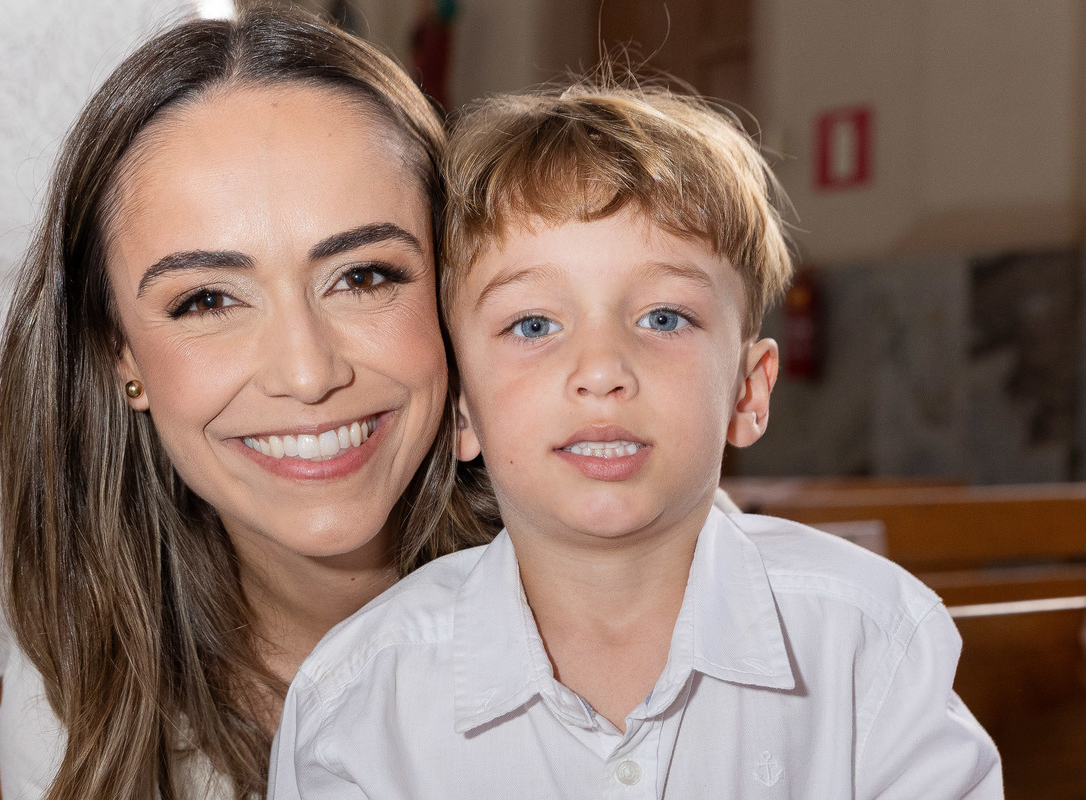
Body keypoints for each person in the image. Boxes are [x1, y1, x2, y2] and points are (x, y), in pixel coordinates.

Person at [270, 79, 1004, 798]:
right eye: (534, 325)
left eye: (663, 318)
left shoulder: (867, 641)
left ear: (748, 392)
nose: (601, 371)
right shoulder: (363, 703)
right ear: (462, 407)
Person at [0, 8, 496, 799]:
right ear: (120, 353)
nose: (305, 372)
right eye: (207, 300)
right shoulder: (74, 682)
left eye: (365, 276)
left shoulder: (646, 590)